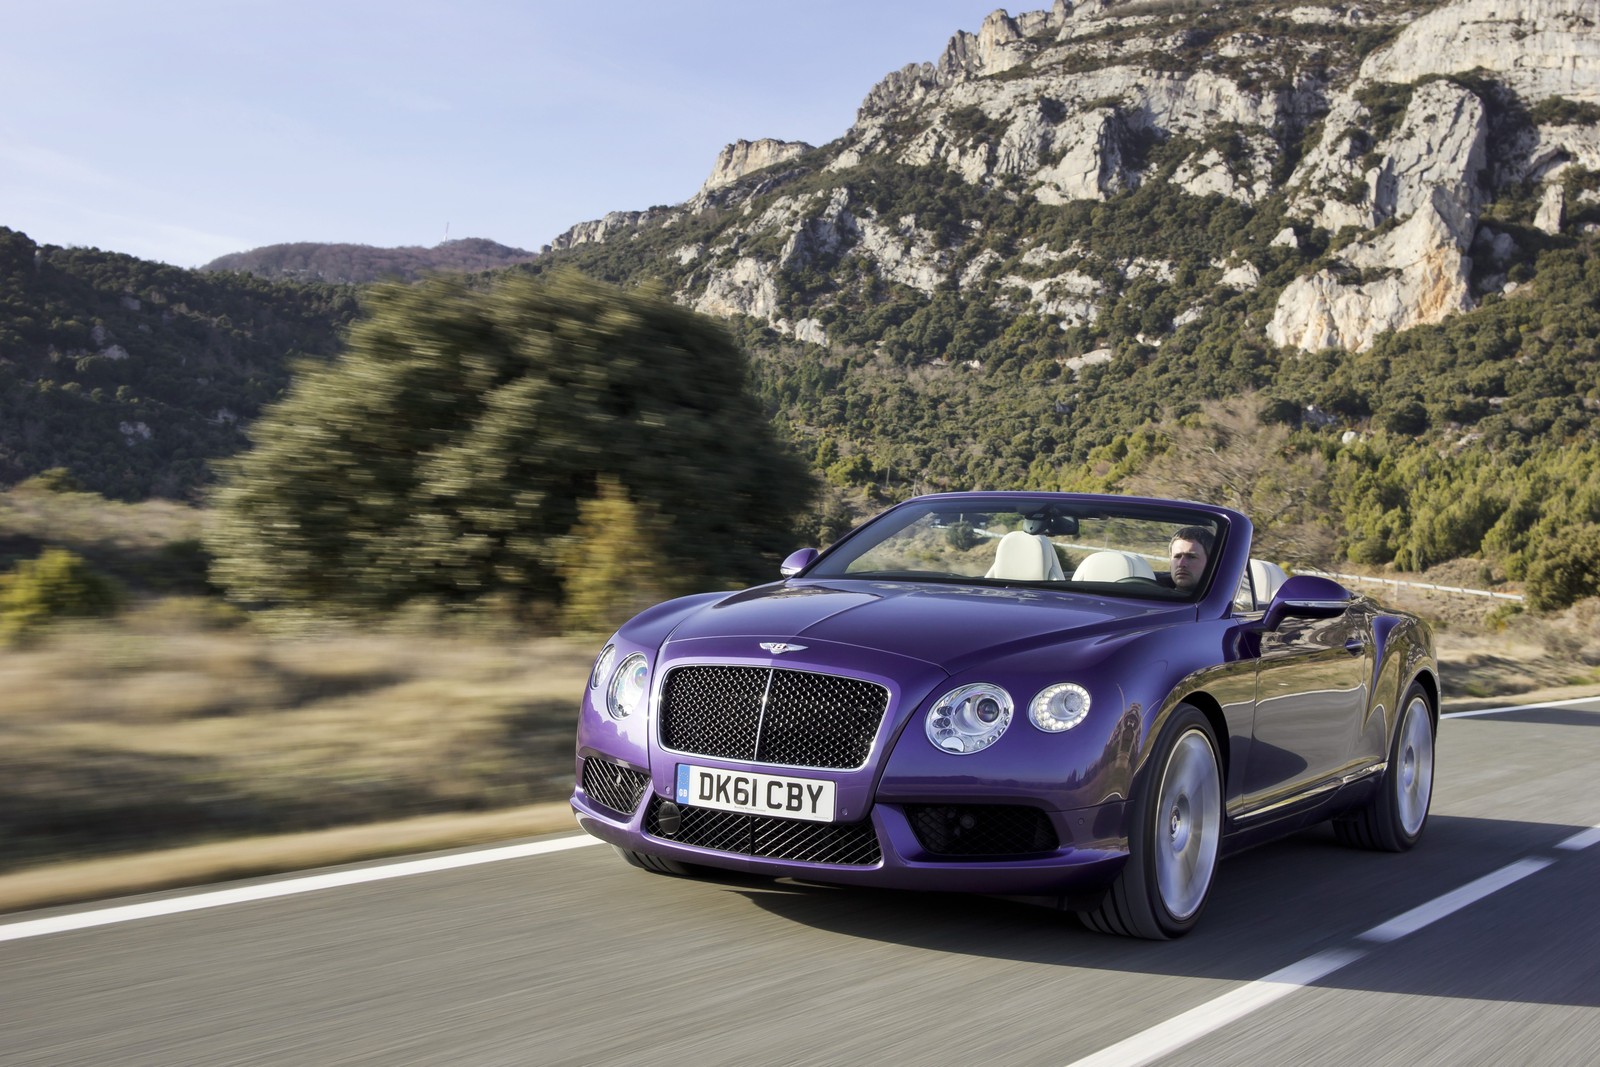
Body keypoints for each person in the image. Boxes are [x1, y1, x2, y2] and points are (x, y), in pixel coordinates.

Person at [1162, 526, 1213, 591]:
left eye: (1191, 557)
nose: (1181, 564)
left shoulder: (1222, 597)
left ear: (1211, 563)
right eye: (1177, 556)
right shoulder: (1155, 593)